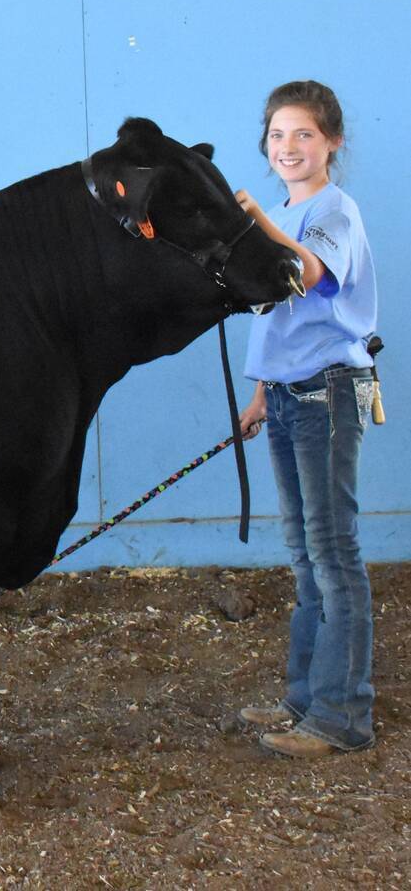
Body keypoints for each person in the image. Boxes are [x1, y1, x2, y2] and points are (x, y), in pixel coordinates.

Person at [235, 80, 378, 756]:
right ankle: (303, 697)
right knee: (303, 553)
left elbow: (311, 276)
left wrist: (254, 226)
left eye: (303, 135)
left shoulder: (330, 211)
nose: (287, 147)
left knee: (332, 553)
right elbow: (274, 318)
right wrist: (260, 390)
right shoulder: (279, 210)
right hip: (290, 395)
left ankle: (341, 715)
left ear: (332, 143)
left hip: (327, 391)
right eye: (276, 135)